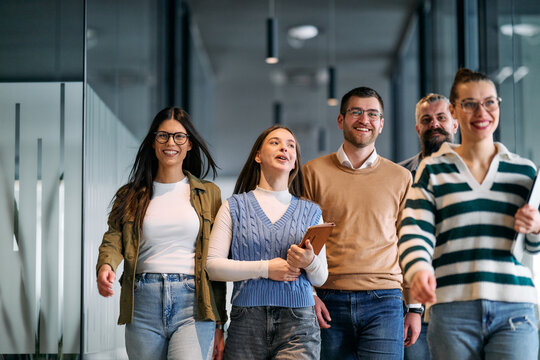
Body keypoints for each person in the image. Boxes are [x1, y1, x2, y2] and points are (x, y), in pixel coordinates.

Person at [399, 68, 540, 360]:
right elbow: (415, 229)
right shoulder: (433, 169)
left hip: (514, 306)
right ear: (454, 111)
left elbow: (530, 250)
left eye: (489, 102)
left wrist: (537, 229)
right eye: (470, 103)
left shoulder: (523, 171)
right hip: (452, 309)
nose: (481, 111)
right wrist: (419, 270)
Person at [96, 107, 226, 360]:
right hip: (143, 301)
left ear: (189, 144)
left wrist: (220, 323)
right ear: (153, 143)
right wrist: (106, 265)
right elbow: (114, 238)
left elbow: (218, 259)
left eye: (179, 136)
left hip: (194, 303)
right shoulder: (130, 194)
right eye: (163, 136)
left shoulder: (209, 194)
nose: (171, 143)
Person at [303, 86, 421, 359]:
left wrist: (414, 307)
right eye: (356, 112)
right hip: (328, 299)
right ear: (341, 120)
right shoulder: (313, 172)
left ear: (381, 123)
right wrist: (309, 295)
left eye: (372, 114)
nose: (364, 119)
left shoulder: (401, 177)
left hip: (385, 300)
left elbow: (409, 243)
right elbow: (302, 240)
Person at [206, 125, 328, 360]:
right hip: (246, 323)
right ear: (258, 156)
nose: (284, 147)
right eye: (275, 142)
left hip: (299, 323)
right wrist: (265, 269)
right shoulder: (233, 207)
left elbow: (321, 277)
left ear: (294, 163)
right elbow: (213, 267)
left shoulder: (311, 212)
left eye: (291, 145)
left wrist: (309, 261)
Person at [399, 93, 458, 360]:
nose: (434, 124)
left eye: (441, 117)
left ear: (455, 123)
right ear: (418, 128)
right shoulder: (399, 177)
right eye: (427, 119)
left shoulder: (470, 174)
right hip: (411, 307)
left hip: (459, 299)